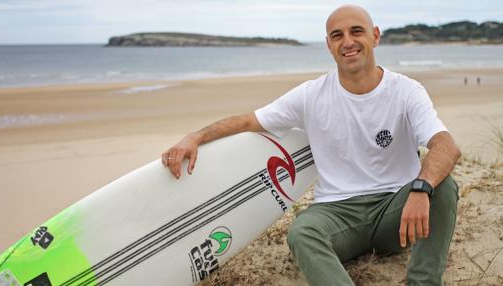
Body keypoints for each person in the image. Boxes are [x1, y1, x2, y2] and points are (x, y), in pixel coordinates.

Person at [162, 5, 461, 285]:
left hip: (396, 211)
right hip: (337, 214)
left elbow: (446, 145)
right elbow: (248, 121)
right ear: (329, 45)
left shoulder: (406, 91)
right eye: (337, 35)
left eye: (356, 31)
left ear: (375, 36)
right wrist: (196, 136)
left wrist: (421, 189)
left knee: (443, 186)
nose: (348, 42)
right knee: (302, 232)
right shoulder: (311, 95)